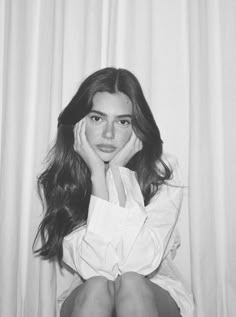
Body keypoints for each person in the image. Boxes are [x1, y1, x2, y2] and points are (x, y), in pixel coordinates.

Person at [34, 67, 194, 317]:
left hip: (153, 288)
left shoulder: (162, 172)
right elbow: (99, 269)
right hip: (89, 291)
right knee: (98, 286)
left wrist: (118, 175)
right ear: (78, 124)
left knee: (130, 282)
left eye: (122, 122)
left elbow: (137, 265)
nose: (108, 134)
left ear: (136, 127)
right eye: (97, 118)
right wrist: (98, 176)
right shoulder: (65, 178)